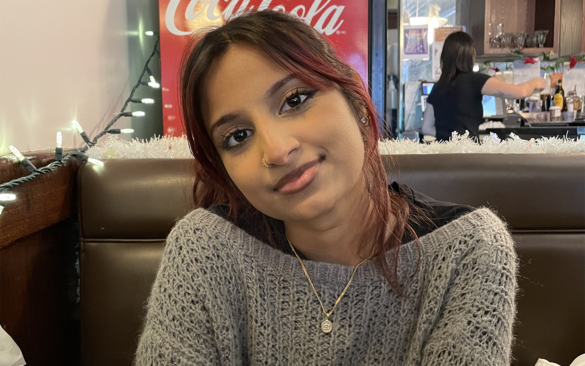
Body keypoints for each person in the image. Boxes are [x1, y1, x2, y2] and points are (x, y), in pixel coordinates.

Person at [135, 10, 517, 365]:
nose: (278, 151)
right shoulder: (206, 252)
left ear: (355, 101)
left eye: (294, 100)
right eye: (238, 136)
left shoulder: (469, 250)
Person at [422, 31, 546, 141]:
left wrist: (449, 137)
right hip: (468, 157)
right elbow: (520, 92)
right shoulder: (475, 80)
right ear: (469, 55)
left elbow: (426, 128)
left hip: (443, 157)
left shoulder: (438, 87)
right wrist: (534, 82)